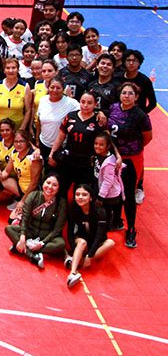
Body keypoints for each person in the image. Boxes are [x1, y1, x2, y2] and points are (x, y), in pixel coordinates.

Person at [108, 82, 152, 249]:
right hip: (114, 157)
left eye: (130, 93)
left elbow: (148, 137)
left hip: (131, 159)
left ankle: (131, 229)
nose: (126, 96)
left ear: (136, 97)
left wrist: (133, 148)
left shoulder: (140, 115)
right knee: (114, 190)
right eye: (124, 93)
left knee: (128, 194)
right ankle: (117, 220)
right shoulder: (113, 108)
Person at [5, 174, 66, 269]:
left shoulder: (61, 203)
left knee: (61, 243)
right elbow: (25, 219)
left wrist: (42, 243)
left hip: (46, 236)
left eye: (54, 185)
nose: (50, 187)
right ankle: (32, 255)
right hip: (30, 231)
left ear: (58, 189)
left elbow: (57, 229)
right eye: (48, 183)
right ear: (43, 183)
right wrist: (22, 237)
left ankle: (22, 247)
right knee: (9, 229)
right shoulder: (33, 196)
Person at [49, 92, 105, 192]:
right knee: (62, 189)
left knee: (82, 191)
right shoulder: (70, 116)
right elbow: (61, 136)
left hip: (86, 163)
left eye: (89, 103)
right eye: (83, 102)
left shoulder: (98, 120)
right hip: (68, 160)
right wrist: (52, 153)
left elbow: (105, 141)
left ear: (95, 104)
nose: (85, 105)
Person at [65, 183, 115, 288]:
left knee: (111, 243)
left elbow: (99, 235)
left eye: (84, 195)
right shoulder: (73, 208)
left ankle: (79, 260)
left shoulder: (99, 211)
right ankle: (72, 273)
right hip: (82, 239)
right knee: (82, 242)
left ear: (91, 197)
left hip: (96, 242)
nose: (80, 197)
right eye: (77, 194)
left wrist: (90, 255)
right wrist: (74, 249)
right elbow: (70, 231)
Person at [0, 130, 43, 223]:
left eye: (21, 141)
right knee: (0, 187)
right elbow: (6, 171)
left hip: (32, 193)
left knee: (12, 221)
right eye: (16, 141)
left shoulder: (34, 157)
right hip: (20, 188)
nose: (18, 144)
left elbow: (34, 183)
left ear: (27, 142)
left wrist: (23, 201)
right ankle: (18, 199)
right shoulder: (14, 153)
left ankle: (24, 203)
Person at [37, 77, 80, 161]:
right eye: (52, 87)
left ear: (63, 89)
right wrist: (37, 140)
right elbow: (39, 121)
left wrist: (100, 113)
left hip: (61, 147)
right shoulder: (43, 100)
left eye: (58, 88)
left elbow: (85, 109)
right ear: (48, 87)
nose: (55, 90)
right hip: (44, 143)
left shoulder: (71, 103)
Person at [92, 132, 125, 232]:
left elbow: (108, 182)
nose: (97, 146)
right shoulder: (98, 155)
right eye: (96, 143)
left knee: (106, 211)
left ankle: (106, 229)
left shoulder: (109, 163)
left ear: (108, 146)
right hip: (101, 188)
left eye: (101, 145)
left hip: (109, 194)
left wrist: (101, 197)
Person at [0, 57, 31, 131]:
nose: (11, 71)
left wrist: (22, 129)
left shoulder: (25, 87)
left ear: (18, 69)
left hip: (17, 129)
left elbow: (28, 111)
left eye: (13, 68)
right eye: (7, 68)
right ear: (4, 70)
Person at [120, 49, 157, 114]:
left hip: (137, 117)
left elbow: (153, 103)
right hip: (119, 115)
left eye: (134, 60)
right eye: (128, 60)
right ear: (124, 62)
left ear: (139, 63)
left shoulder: (145, 81)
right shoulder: (117, 78)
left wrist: (142, 114)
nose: (131, 63)